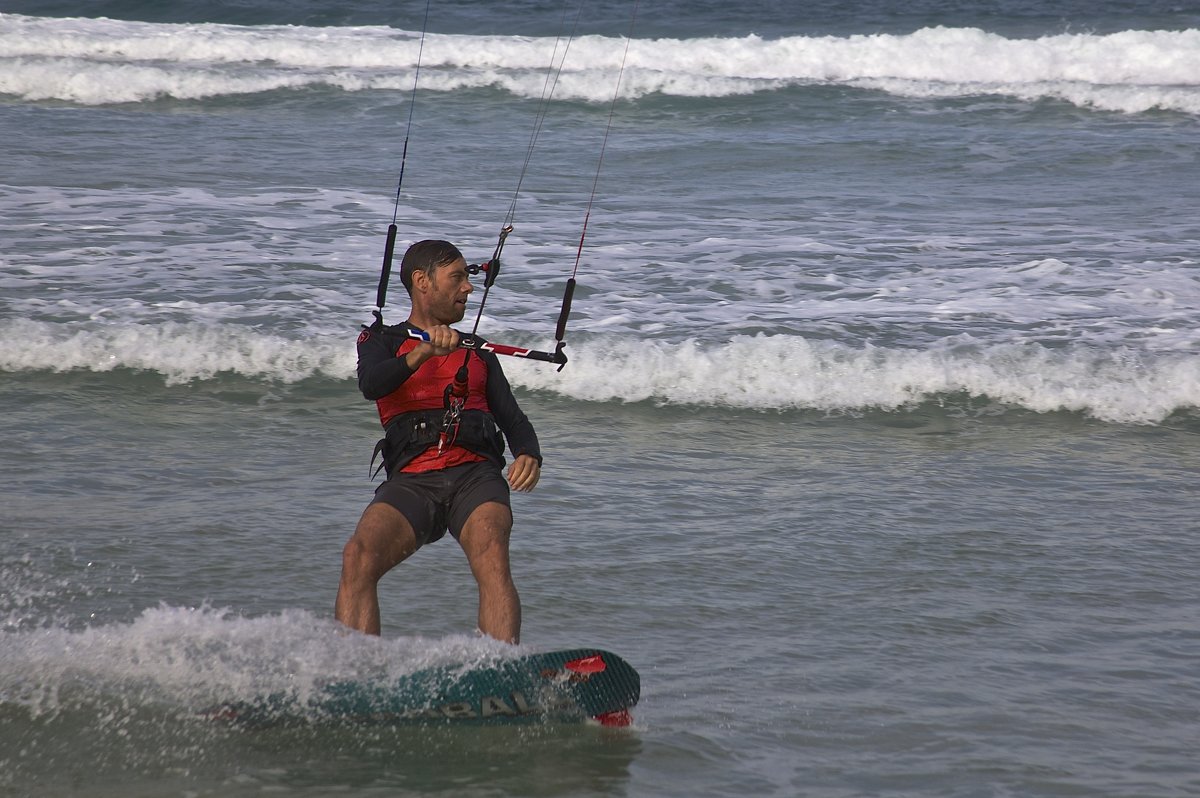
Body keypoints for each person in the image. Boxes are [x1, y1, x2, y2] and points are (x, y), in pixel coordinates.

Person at [334, 239, 542, 644]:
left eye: (469, 277)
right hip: (412, 479)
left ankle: (498, 671)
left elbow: (514, 420)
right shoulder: (381, 341)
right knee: (358, 557)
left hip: (475, 476)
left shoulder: (479, 352)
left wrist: (529, 454)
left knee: (491, 550)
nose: (468, 287)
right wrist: (424, 352)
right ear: (422, 282)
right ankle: (354, 674)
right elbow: (372, 385)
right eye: (457, 277)